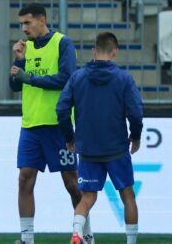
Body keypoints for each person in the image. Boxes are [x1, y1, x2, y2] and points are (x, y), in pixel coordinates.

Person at [9, 3, 93, 244]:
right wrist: (20, 61)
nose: (23, 28)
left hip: (58, 125)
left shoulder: (62, 43)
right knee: (25, 178)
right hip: (31, 124)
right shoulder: (25, 47)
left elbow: (66, 79)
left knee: (72, 183)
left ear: (42, 20)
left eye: (27, 23)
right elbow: (15, 84)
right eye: (21, 23)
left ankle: (85, 233)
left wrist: (30, 78)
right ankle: (27, 238)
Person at [56, 32, 143, 244]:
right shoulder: (124, 78)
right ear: (115, 51)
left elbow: (61, 109)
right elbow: (136, 113)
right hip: (116, 148)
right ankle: (131, 242)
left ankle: (77, 232)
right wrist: (136, 136)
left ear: (93, 50)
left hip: (88, 150)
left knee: (87, 197)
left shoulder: (78, 77)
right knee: (127, 195)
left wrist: (70, 137)